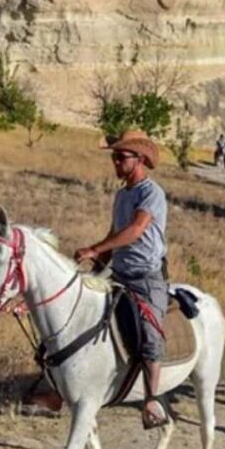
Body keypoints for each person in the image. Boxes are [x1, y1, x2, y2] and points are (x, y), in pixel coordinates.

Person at [74, 130, 170, 429]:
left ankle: (152, 400)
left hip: (145, 276)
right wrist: (97, 260)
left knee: (150, 334)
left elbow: (136, 230)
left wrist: (96, 248)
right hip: (119, 272)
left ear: (139, 159)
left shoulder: (150, 193)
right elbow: (115, 233)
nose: (115, 162)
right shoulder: (122, 194)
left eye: (121, 157)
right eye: (114, 157)